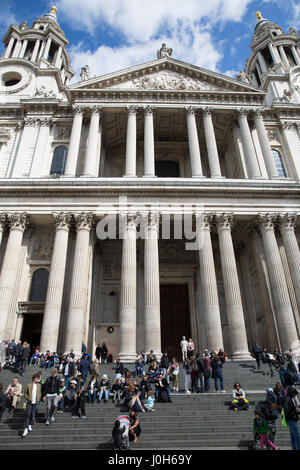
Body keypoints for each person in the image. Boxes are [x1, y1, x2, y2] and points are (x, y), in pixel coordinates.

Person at [22, 373, 41, 437]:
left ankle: (30, 424)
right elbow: (25, 394)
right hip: (29, 402)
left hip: (35, 403)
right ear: (34, 379)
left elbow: (39, 393)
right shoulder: (29, 385)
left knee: (32, 415)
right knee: (28, 415)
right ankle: (26, 428)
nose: (38, 379)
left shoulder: (39, 385)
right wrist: (28, 399)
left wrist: (38, 399)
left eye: (38, 378)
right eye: (37, 378)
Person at [283, 386, 300, 450]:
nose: (295, 395)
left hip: (290, 419)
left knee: (293, 436)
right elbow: (287, 409)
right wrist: (294, 411)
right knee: (297, 436)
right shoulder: (288, 399)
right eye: (294, 394)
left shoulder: (288, 398)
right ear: (291, 392)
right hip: (291, 419)